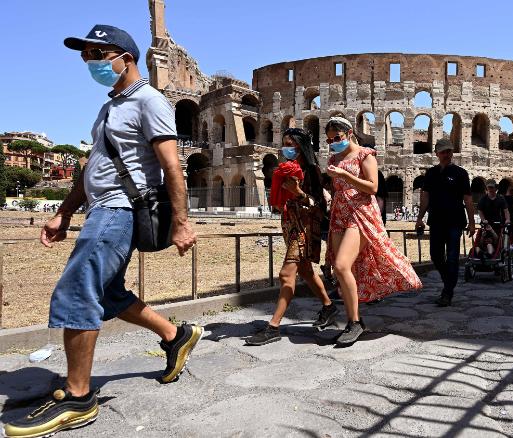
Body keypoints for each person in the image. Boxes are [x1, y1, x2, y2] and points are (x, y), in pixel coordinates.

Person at [3, 25, 202, 438]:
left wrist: (182, 222)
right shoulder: (110, 107)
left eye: (98, 54)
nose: (90, 63)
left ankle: (78, 397)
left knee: (78, 291)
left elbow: (172, 166)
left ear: (125, 59)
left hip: (119, 210)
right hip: (100, 208)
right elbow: (92, 168)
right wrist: (63, 213)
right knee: (108, 292)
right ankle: (175, 334)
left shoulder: (150, 101)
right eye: (86, 56)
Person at [324, 117, 422, 344]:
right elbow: (337, 186)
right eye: (329, 140)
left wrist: (345, 176)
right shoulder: (334, 157)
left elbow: (373, 187)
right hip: (340, 213)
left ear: (349, 133)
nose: (333, 143)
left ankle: (355, 322)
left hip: (360, 214)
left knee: (341, 265)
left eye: (336, 138)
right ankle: (353, 320)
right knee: (341, 271)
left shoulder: (365, 155)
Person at [246, 128, 337, 346]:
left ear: (301, 147)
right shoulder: (287, 170)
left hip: (305, 226)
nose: (286, 148)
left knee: (286, 274)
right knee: (305, 270)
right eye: (284, 143)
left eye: (291, 144)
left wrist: (299, 193)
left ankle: (274, 327)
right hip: (289, 224)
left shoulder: (313, 171)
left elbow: (320, 207)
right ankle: (328, 306)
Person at [416, 139, 476, 307]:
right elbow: (425, 196)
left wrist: (472, 222)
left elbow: (468, 199)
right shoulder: (431, 173)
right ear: (437, 154)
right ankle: (448, 280)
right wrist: (420, 218)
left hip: (455, 221)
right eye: (443, 152)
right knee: (435, 255)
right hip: (436, 220)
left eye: (449, 151)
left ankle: (447, 292)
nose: (447, 154)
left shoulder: (460, 173)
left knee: (452, 258)